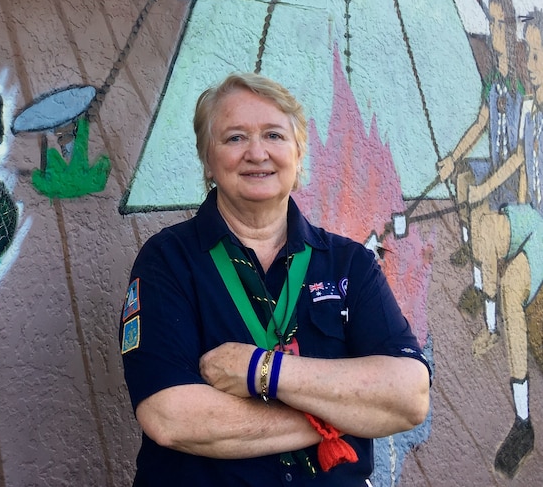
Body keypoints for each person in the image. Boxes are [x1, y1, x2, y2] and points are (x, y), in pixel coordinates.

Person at [119, 72, 431, 486]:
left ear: (298, 157)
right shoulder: (167, 261)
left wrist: (259, 369)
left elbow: (409, 396)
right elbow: (170, 417)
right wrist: (341, 413)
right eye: (234, 138)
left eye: (274, 136)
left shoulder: (349, 263)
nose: (257, 153)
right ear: (207, 161)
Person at [463, 10, 543, 478]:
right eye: (526, 52)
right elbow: (518, 162)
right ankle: (492, 325)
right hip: (532, 218)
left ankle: (523, 421)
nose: (527, 62)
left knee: (514, 284)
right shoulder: (530, 109)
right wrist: (483, 189)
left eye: (535, 53)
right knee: (486, 226)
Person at [436, 0, 525, 356]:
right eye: (491, 23)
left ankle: (491, 326)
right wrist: (453, 157)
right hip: (492, 165)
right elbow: (480, 123)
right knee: (462, 179)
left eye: (501, 24)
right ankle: (475, 274)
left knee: (483, 218)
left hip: (513, 180)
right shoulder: (493, 78)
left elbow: (522, 153)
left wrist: (487, 192)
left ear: (513, 29)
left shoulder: (524, 80)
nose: (495, 32)